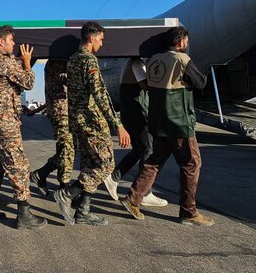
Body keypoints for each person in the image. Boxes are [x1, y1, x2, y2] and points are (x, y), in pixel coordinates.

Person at [120, 27, 214, 226]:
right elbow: (200, 83)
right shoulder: (182, 60)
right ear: (180, 42)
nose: (186, 44)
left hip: (158, 120)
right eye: (186, 41)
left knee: (154, 161)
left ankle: (133, 198)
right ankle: (188, 211)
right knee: (191, 163)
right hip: (178, 119)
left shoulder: (153, 60)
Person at [54, 21, 131, 227]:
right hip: (92, 121)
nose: (102, 44)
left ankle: (83, 211)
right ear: (91, 37)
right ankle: (67, 195)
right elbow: (100, 94)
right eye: (100, 39)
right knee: (106, 164)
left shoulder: (72, 60)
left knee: (89, 164)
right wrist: (118, 125)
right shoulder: (89, 61)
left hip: (78, 122)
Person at [0, 25, 46, 229]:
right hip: (5, 121)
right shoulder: (4, 62)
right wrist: (27, 63)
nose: (14, 44)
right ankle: (24, 213)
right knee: (19, 165)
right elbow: (29, 83)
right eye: (11, 40)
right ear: (1, 42)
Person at [102, 58, 167, 206]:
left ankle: (114, 177)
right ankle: (145, 192)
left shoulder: (132, 62)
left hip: (130, 113)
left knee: (138, 150)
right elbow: (145, 85)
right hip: (137, 113)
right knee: (148, 150)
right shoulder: (136, 62)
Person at [30, 59, 75, 195]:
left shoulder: (59, 61)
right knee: (67, 150)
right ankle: (63, 188)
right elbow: (67, 80)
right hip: (61, 112)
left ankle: (43, 175)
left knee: (65, 149)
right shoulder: (57, 62)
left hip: (64, 111)